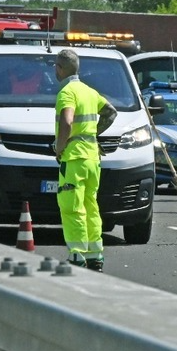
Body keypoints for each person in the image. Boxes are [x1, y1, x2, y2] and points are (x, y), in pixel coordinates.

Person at [53, 49, 117, 272]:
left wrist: (59, 148)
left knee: (72, 207)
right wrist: (93, 133)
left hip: (74, 157)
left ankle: (77, 255)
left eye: (56, 67)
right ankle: (95, 255)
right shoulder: (89, 92)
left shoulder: (67, 92)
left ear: (60, 68)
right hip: (92, 157)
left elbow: (67, 121)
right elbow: (110, 112)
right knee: (91, 206)